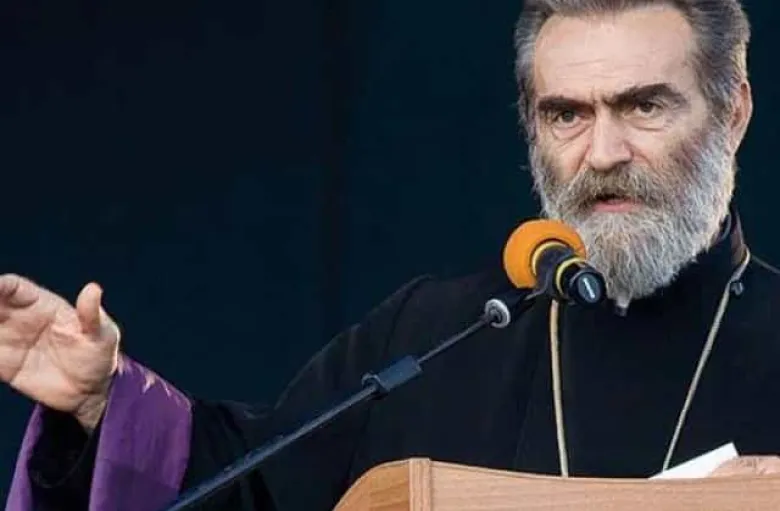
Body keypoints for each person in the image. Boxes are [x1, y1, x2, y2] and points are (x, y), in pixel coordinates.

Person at [5, 0, 780, 510]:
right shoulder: (435, 335)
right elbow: (248, 485)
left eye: (644, 105)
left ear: (733, 112)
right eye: (567, 115)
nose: (603, 152)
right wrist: (101, 401)